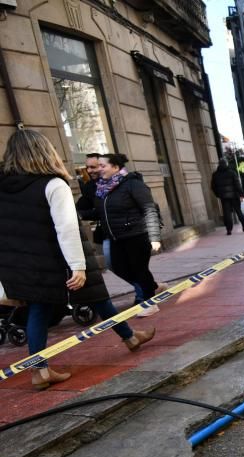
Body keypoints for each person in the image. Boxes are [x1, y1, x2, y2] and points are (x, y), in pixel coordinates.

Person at [0, 130, 155, 389]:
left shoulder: (3, 187)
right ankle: (41, 370)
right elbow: (66, 228)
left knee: (82, 298)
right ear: (44, 151)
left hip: (21, 261)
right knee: (74, 298)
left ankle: (129, 337)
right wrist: (78, 265)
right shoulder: (52, 184)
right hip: (58, 257)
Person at [82, 152, 164, 318]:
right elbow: (100, 212)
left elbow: (149, 208)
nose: (99, 169)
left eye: (103, 166)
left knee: (139, 268)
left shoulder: (132, 184)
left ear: (116, 167)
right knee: (118, 266)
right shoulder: (103, 188)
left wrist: (154, 236)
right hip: (116, 237)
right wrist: (81, 215)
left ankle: (150, 302)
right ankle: (152, 286)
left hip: (137, 234)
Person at [211, 160, 244, 234]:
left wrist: (218, 194)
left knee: (227, 213)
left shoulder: (215, 174)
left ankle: (229, 230)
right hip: (234, 196)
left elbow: (213, 187)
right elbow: (237, 184)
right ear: (226, 164)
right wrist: (241, 194)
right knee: (238, 211)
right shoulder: (231, 172)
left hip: (224, 197)